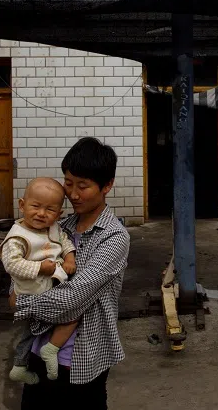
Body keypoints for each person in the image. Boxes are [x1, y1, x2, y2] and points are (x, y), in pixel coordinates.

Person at [13, 137, 130, 409]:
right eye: (68, 183)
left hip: (80, 361)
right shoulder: (58, 226)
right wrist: (17, 287)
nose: (73, 194)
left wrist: (21, 303)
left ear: (107, 186)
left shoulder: (114, 238)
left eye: (83, 186)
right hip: (37, 349)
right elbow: (20, 267)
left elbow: (72, 299)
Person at [0, 177, 78, 384]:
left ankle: (20, 365)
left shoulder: (55, 228)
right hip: (32, 291)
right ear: (22, 205)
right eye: (35, 206)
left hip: (51, 286)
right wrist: (39, 268)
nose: (42, 214)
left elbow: (65, 242)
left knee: (31, 331)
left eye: (50, 210)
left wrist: (70, 256)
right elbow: (12, 265)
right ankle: (51, 349)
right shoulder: (17, 237)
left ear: (59, 214)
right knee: (72, 313)